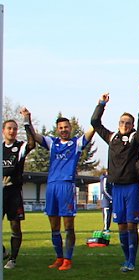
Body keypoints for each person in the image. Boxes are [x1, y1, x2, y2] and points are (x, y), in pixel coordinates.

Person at [28, 109, 96, 270]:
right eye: (61, 127)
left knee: (68, 225)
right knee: (54, 226)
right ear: (57, 129)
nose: (64, 129)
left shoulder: (76, 144)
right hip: (52, 186)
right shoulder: (52, 143)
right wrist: (27, 119)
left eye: (66, 127)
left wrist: (100, 106)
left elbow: (93, 128)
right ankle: (59, 257)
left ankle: (68, 259)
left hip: (66, 186)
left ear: (70, 128)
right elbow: (34, 135)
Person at [91, 91, 139, 271]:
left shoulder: (135, 138)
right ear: (118, 124)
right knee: (122, 226)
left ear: (132, 125)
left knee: (132, 225)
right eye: (122, 122)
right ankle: (127, 259)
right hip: (116, 189)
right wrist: (101, 104)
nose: (124, 125)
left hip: (132, 188)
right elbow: (95, 122)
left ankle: (132, 261)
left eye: (128, 123)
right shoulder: (112, 138)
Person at [2, 112, 36, 269]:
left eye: (14, 129)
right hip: (1, 192)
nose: (12, 131)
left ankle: (13, 259)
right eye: (9, 128)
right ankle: (3, 251)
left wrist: (26, 121)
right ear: (3, 131)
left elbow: (31, 144)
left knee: (15, 225)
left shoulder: (20, 147)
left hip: (14, 193)